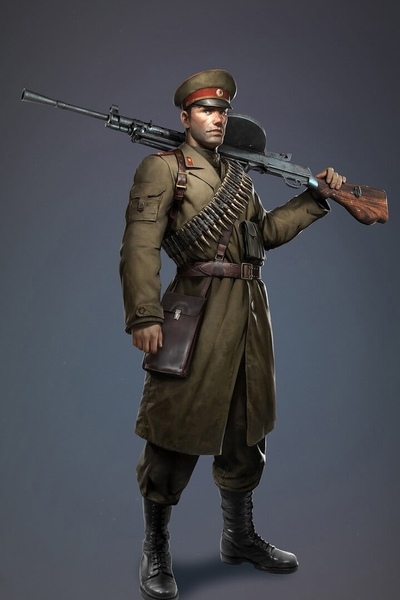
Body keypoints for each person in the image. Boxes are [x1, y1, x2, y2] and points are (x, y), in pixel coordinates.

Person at [119, 69, 346, 600]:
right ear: (186, 117)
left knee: (247, 429)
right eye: (206, 110)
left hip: (249, 313)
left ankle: (238, 537)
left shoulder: (239, 177)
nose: (217, 119)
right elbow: (139, 245)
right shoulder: (164, 169)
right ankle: (156, 548)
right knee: (173, 429)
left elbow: (262, 235)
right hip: (195, 313)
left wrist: (316, 197)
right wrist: (144, 315)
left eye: (222, 111)